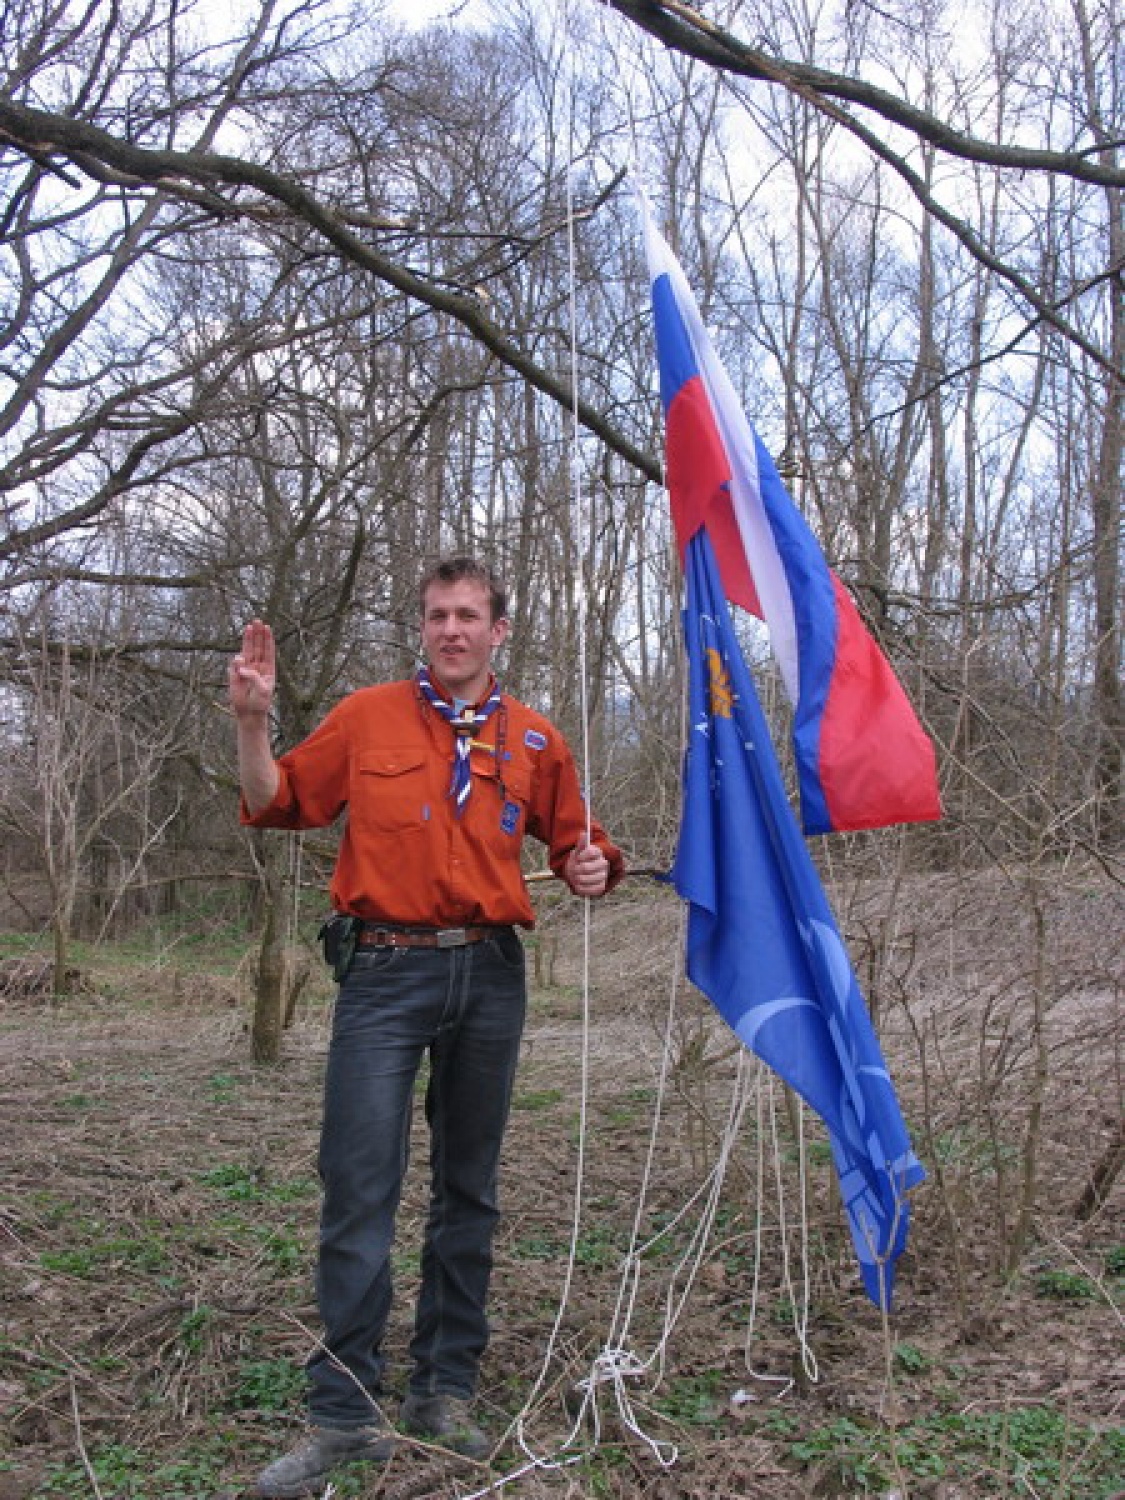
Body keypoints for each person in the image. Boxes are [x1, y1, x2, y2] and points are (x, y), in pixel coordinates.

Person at [230, 555, 623, 1499]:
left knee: (468, 1192)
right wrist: (250, 723)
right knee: (359, 1185)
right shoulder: (367, 717)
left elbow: (581, 842)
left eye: (469, 616)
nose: (452, 630)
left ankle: (444, 1391)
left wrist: (592, 865)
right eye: (437, 615)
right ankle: (342, 1415)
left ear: (499, 630)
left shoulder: (533, 738)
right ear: (423, 628)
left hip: (489, 976)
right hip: (384, 972)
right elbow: (274, 801)